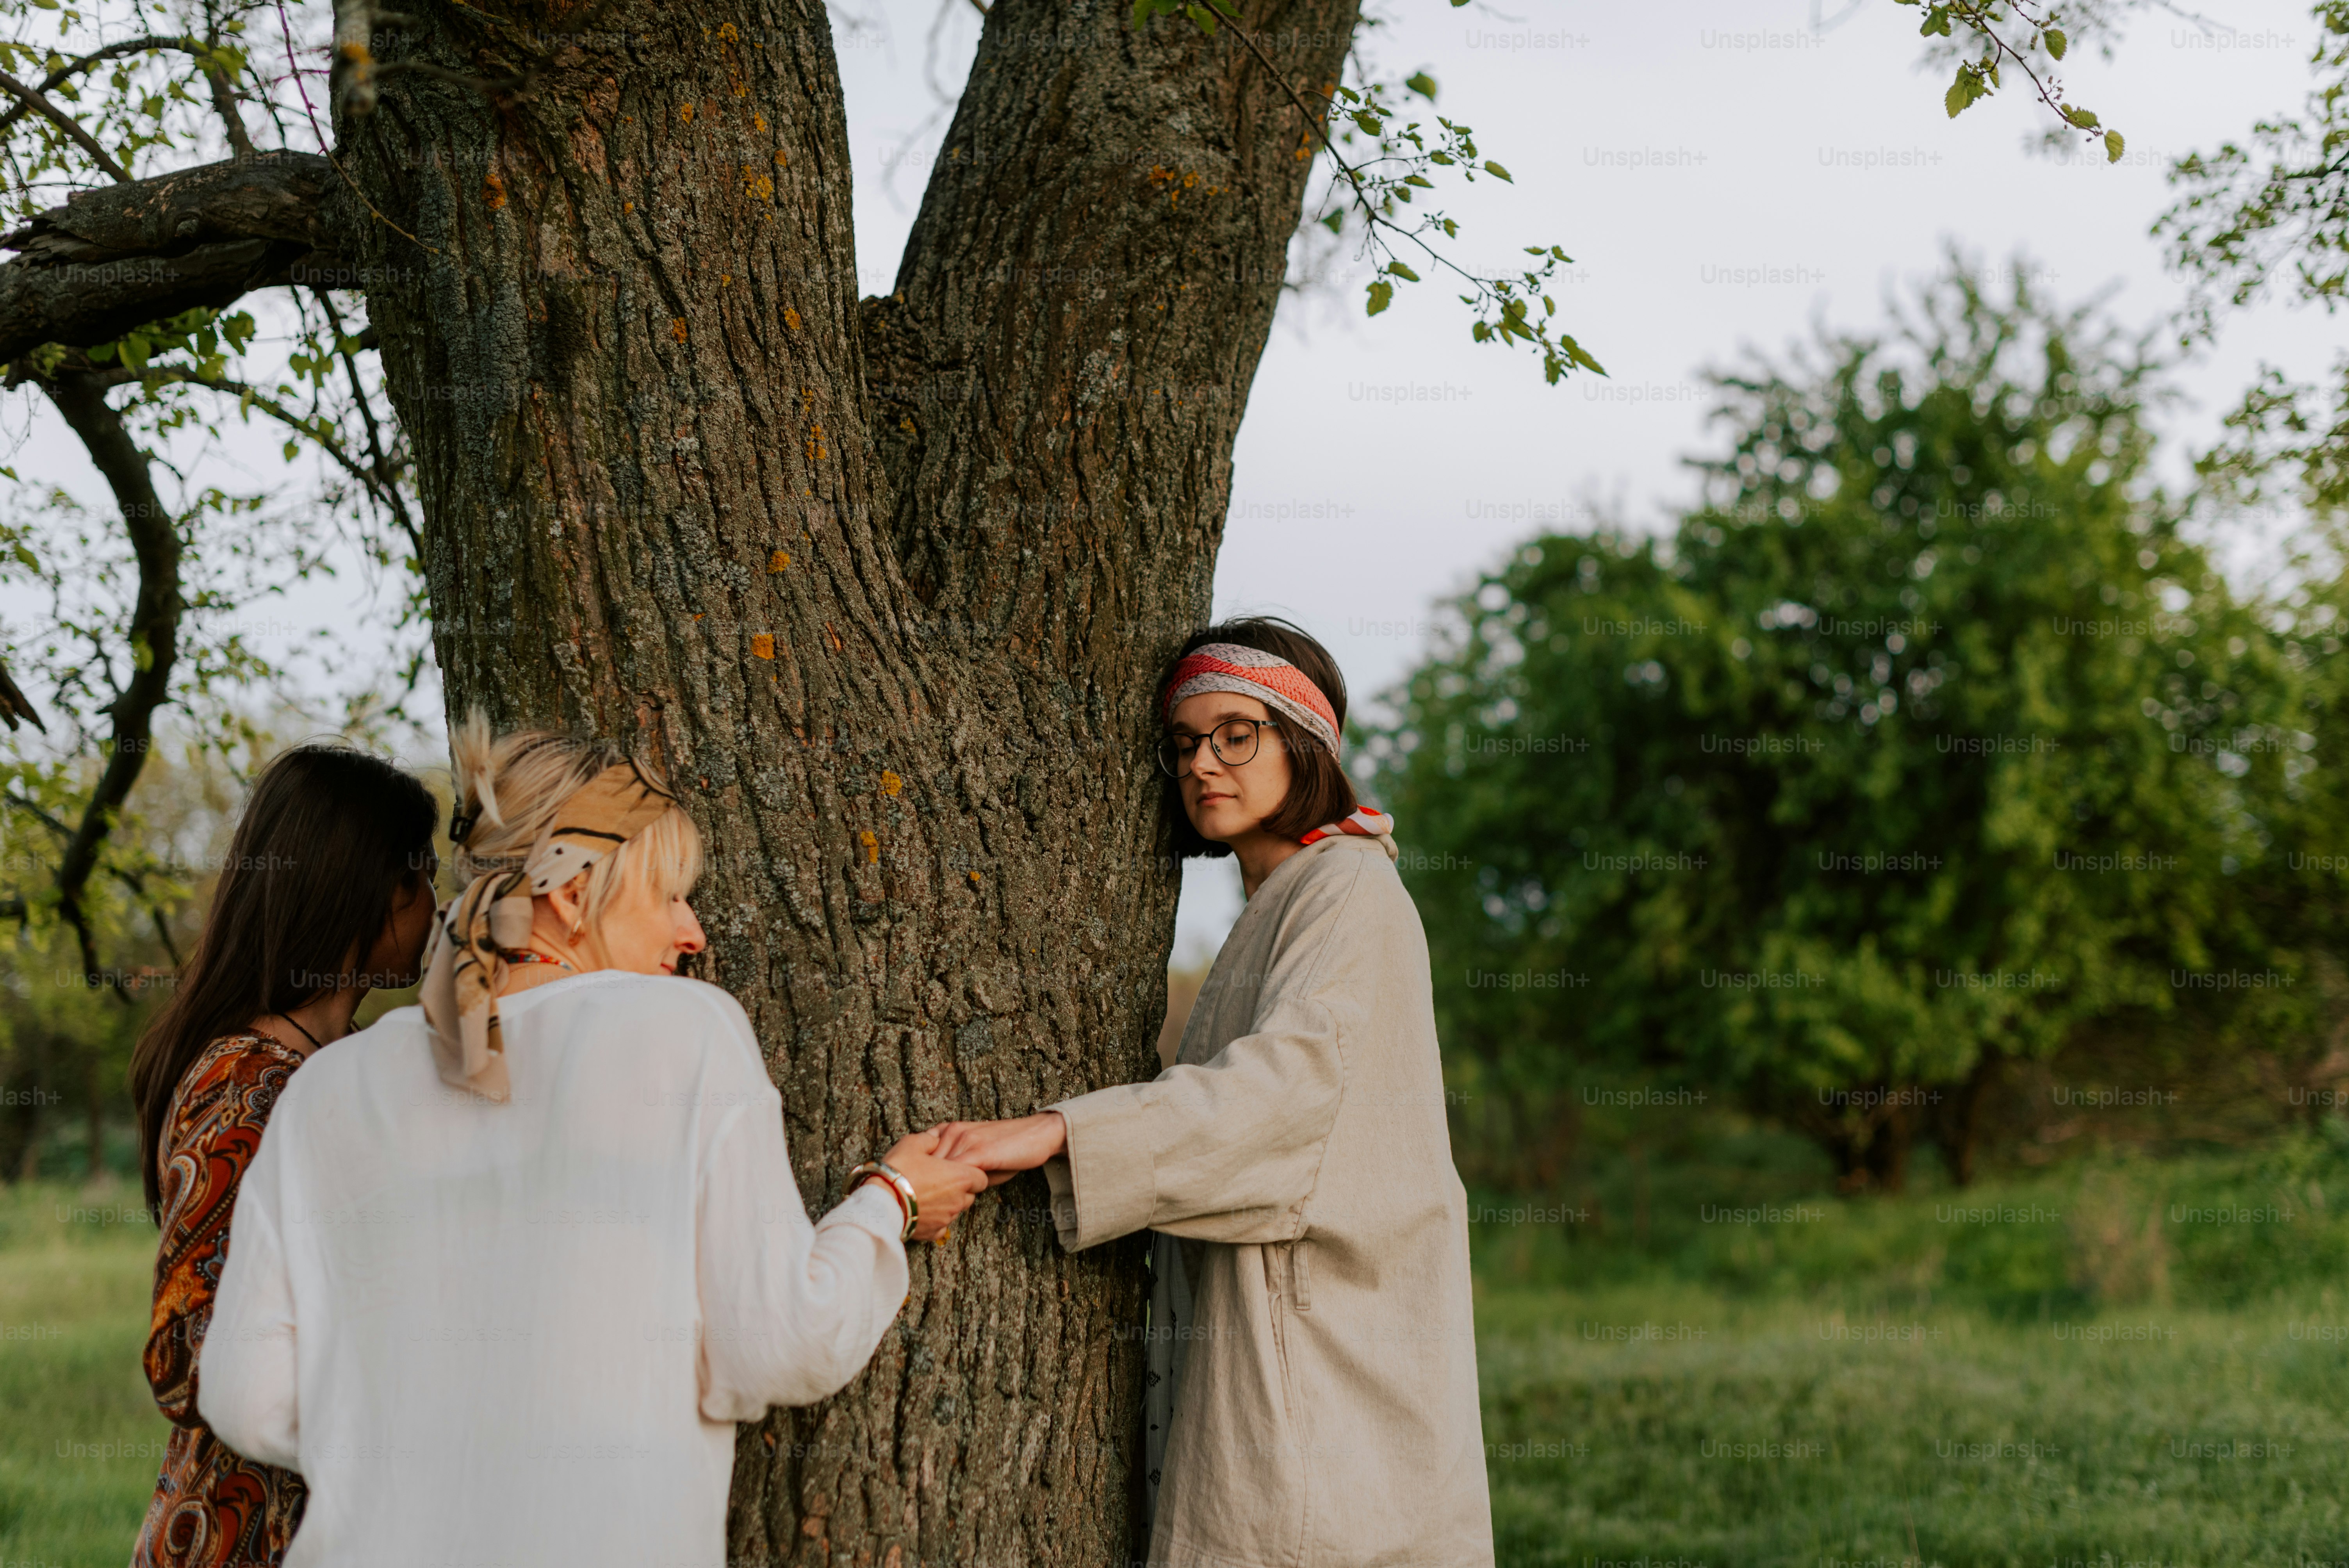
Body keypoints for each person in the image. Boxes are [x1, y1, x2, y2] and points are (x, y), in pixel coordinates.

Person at [198, 715, 987, 1568]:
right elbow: (777, 1343)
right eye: (671, 894)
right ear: (570, 896)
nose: (694, 932)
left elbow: (244, 1395)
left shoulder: (326, 1087)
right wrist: (889, 1201)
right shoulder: (686, 1032)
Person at [933, 617, 1496, 1568]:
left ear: (1302, 740)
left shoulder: (1350, 891)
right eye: (1185, 742)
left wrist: (1052, 1134)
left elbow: (1284, 1098)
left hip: (1323, 1389)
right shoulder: (1282, 902)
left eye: (1236, 733)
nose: (1203, 762)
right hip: (1276, 1358)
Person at [129, 743, 442, 1568]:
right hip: (244, 1531)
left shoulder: (334, 1068)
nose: (440, 905)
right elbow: (182, 1353)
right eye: (427, 874)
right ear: (378, 887)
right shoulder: (248, 1082)